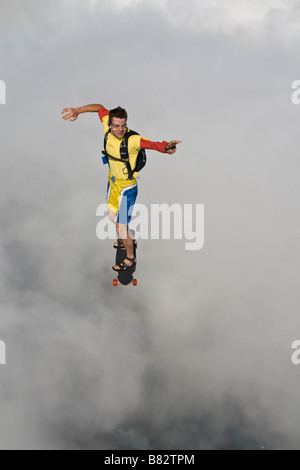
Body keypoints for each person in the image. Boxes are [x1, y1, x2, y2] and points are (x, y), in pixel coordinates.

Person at [62, 104, 181, 272]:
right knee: (112, 217)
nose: (120, 129)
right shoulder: (106, 124)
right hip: (113, 183)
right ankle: (128, 239)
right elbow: (99, 108)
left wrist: (167, 147)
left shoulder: (132, 140)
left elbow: (153, 145)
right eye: (116, 125)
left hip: (127, 188)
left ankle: (130, 257)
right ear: (110, 124)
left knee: (120, 227)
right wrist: (77, 111)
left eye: (123, 125)